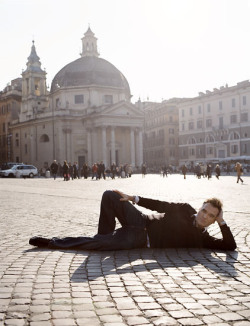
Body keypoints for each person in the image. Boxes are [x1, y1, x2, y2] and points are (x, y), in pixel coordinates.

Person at [29, 190, 236, 251]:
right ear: (200, 207)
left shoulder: (204, 239)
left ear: (213, 220)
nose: (204, 216)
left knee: (100, 244)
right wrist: (134, 199)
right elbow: (161, 205)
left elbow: (229, 246)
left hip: (140, 239)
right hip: (141, 219)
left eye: (210, 216)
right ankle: (105, 235)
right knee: (110, 195)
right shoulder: (185, 209)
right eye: (204, 211)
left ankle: (52, 242)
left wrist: (222, 223)